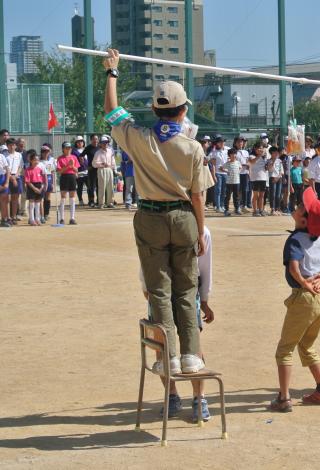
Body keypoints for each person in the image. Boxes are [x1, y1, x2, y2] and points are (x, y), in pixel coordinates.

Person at [103, 48, 212, 374]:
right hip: (183, 218)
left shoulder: (138, 137)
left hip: (150, 216)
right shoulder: (193, 147)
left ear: (154, 109)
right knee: (186, 288)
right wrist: (201, 230)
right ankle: (192, 355)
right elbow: (198, 196)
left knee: (160, 291)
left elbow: (111, 112)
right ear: (183, 112)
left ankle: (169, 356)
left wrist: (112, 72)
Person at [271, 188, 320, 412]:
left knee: (285, 349)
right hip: (319, 298)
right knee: (307, 345)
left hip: (303, 298)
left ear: (303, 220)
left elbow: (293, 268)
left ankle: (283, 397)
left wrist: (303, 282)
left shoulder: (295, 240)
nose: (299, 206)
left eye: (303, 207)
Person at [142, 226, 215, 421]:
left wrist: (205, 299)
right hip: (160, 287)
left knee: (193, 344)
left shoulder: (201, 230)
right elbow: (146, 258)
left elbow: (205, 266)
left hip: (189, 290)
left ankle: (199, 399)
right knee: (162, 344)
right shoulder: (155, 222)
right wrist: (145, 285)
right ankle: (172, 394)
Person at [56, 141, 80, 225]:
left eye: (70, 148)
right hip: (64, 177)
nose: (69, 149)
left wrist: (72, 166)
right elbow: (59, 171)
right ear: (63, 149)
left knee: (72, 198)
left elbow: (77, 170)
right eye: (66, 148)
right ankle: (61, 218)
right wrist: (68, 166)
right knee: (63, 197)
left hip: (72, 177)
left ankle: (72, 218)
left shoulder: (74, 157)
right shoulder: (60, 158)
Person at [93, 135, 116, 208]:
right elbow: (93, 164)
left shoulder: (110, 151)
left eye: (106, 142)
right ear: (100, 144)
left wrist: (114, 169)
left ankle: (110, 202)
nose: (105, 144)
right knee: (101, 187)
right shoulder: (98, 152)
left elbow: (113, 161)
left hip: (109, 169)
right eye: (103, 142)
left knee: (110, 187)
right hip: (101, 170)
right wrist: (101, 164)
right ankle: (101, 203)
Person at [23, 150, 45, 226]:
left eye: (38, 160)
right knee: (31, 204)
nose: (36, 161)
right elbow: (27, 181)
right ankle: (32, 219)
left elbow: (42, 180)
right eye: (35, 160)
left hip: (39, 187)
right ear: (31, 160)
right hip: (31, 187)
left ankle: (37, 219)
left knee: (38, 204)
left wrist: (41, 187)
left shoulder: (39, 169)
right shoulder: (27, 170)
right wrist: (34, 188)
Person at [248, 141, 270, 217]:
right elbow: (252, 162)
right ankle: (255, 211)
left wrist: (268, 165)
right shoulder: (251, 156)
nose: (260, 150)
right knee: (255, 195)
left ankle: (261, 210)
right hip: (255, 178)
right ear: (255, 149)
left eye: (261, 148)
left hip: (263, 178)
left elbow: (267, 168)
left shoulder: (265, 157)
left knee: (262, 195)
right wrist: (259, 156)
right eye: (259, 148)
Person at [4, 138, 23, 223]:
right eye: (10, 145)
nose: (12, 147)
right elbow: (4, 168)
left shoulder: (19, 155)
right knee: (7, 198)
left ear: (16, 146)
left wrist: (16, 176)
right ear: (7, 146)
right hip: (7, 177)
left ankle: (14, 216)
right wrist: (11, 178)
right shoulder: (4, 155)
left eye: (13, 145)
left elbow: (20, 166)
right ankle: (8, 217)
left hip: (17, 177)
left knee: (15, 198)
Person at [210, 135, 229, 213]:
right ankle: (218, 207)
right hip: (218, 173)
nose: (222, 143)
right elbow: (213, 165)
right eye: (220, 142)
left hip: (225, 173)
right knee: (218, 190)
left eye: (223, 141)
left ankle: (222, 205)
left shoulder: (227, 150)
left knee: (224, 191)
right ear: (217, 143)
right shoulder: (214, 152)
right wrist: (213, 175)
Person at [82, 134, 100, 207]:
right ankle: (91, 201)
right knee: (91, 186)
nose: (95, 140)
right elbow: (81, 156)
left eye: (97, 139)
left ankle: (99, 200)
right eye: (94, 139)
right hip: (91, 169)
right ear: (91, 140)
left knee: (99, 186)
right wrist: (86, 165)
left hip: (100, 169)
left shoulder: (100, 147)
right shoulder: (88, 148)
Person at [39, 144, 56, 223]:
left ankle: (46, 213)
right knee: (40, 197)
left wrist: (53, 183)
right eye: (43, 151)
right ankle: (40, 214)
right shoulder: (39, 161)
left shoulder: (50, 160)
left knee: (47, 197)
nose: (45, 153)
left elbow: (52, 172)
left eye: (47, 151)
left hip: (48, 179)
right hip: (41, 179)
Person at [222, 148, 242, 216]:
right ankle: (226, 210)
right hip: (229, 183)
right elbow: (221, 168)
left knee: (236, 196)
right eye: (232, 154)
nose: (234, 155)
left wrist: (238, 172)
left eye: (235, 154)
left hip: (237, 182)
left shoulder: (238, 162)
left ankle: (237, 209)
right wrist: (226, 171)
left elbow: (240, 168)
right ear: (229, 155)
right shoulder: (227, 163)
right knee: (227, 197)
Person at [73, 136, 89, 205]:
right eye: (78, 142)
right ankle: (80, 200)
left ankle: (90, 200)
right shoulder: (74, 152)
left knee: (89, 186)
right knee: (80, 187)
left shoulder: (86, 149)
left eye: (81, 141)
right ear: (76, 143)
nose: (80, 143)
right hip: (79, 171)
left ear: (83, 142)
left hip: (87, 171)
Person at [268, 146, 284, 215]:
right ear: (271, 153)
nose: (277, 153)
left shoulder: (279, 161)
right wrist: (272, 162)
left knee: (278, 195)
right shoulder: (268, 161)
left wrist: (278, 177)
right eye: (275, 152)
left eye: (277, 152)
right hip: (272, 178)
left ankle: (277, 208)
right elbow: (269, 170)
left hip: (278, 178)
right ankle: (272, 209)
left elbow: (281, 171)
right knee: (273, 194)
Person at [0, 149, 9, 227]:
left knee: (4, 200)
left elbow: (7, 170)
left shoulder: (2, 156)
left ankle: (4, 220)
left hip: (2, 178)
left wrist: (6, 182)